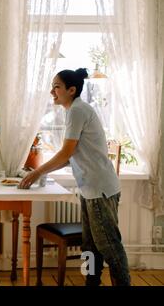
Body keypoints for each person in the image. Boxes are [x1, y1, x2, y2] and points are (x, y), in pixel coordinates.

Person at [19, 68, 130, 286]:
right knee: (90, 246)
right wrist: (40, 172)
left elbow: (66, 153)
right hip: (91, 188)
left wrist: (37, 172)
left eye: (56, 87)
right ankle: (92, 283)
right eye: (52, 86)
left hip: (99, 189)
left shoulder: (77, 111)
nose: (52, 91)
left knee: (109, 246)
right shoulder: (75, 111)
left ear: (71, 90)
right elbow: (70, 156)